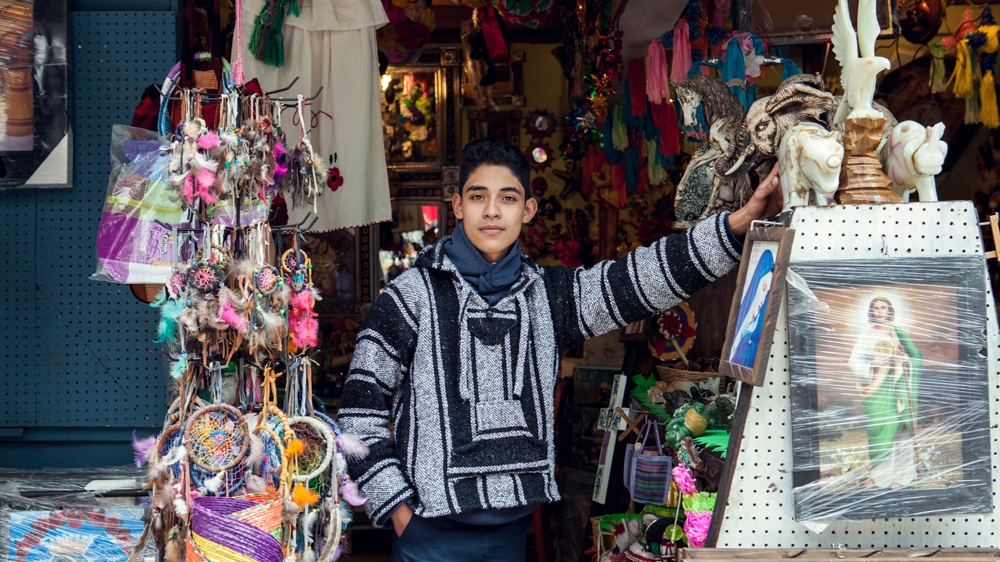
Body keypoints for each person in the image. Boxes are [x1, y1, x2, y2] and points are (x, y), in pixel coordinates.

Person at [339, 137, 783, 562]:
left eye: (508, 198)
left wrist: (735, 227)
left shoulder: (548, 296)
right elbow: (360, 413)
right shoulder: (409, 297)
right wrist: (399, 511)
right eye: (477, 197)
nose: (492, 211)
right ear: (457, 205)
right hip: (427, 537)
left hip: (510, 538)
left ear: (528, 209)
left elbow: (637, 281)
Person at [847, 296, 923, 490]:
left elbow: (916, 357)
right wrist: (873, 363)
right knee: (879, 432)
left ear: (890, 311)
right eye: (875, 309)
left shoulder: (898, 333)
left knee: (901, 431)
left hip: (897, 389)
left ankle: (904, 475)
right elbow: (853, 361)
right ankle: (879, 475)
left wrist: (906, 359)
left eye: (883, 308)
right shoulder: (865, 334)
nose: (879, 312)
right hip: (876, 389)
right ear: (871, 312)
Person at [728, 248, 776, 368]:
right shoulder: (739, 318)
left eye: (768, 292)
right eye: (763, 287)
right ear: (756, 283)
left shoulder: (757, 330)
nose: (763, 297)